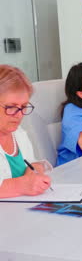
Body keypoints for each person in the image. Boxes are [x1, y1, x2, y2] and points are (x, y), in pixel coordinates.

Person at [0, 65, 51, 198]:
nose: (19, 115)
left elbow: (33, 163)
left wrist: (33, 172)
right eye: (11, 107)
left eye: (23, 107)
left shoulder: (18, 133)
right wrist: (21, 185)